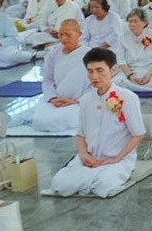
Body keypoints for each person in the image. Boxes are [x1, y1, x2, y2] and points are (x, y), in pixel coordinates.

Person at [49, 47, 146, 197]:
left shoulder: (127, 97)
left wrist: (117, 159)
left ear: (113, 70)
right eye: (90, 71)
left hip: (117, 160)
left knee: (104, 185)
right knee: (58, 183)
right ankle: (88, 181)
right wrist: (83, 155)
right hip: (89, 159)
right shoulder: (86, 100)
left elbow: (138, 135)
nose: (95, 76)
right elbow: (80, 134)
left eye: (100, 70)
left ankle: (85, 182)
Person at [19, 18, 89, 133]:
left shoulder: (89, 54)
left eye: (68, 35)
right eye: (60, 35)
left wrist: (78, 101)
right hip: (56, 100)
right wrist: (52, 98)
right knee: (40, 121)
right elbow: (47, 79)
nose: (63, 39)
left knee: (70, 119)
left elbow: (96, 83)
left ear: (79, 34)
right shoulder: (53, 54)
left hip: (78, 102)